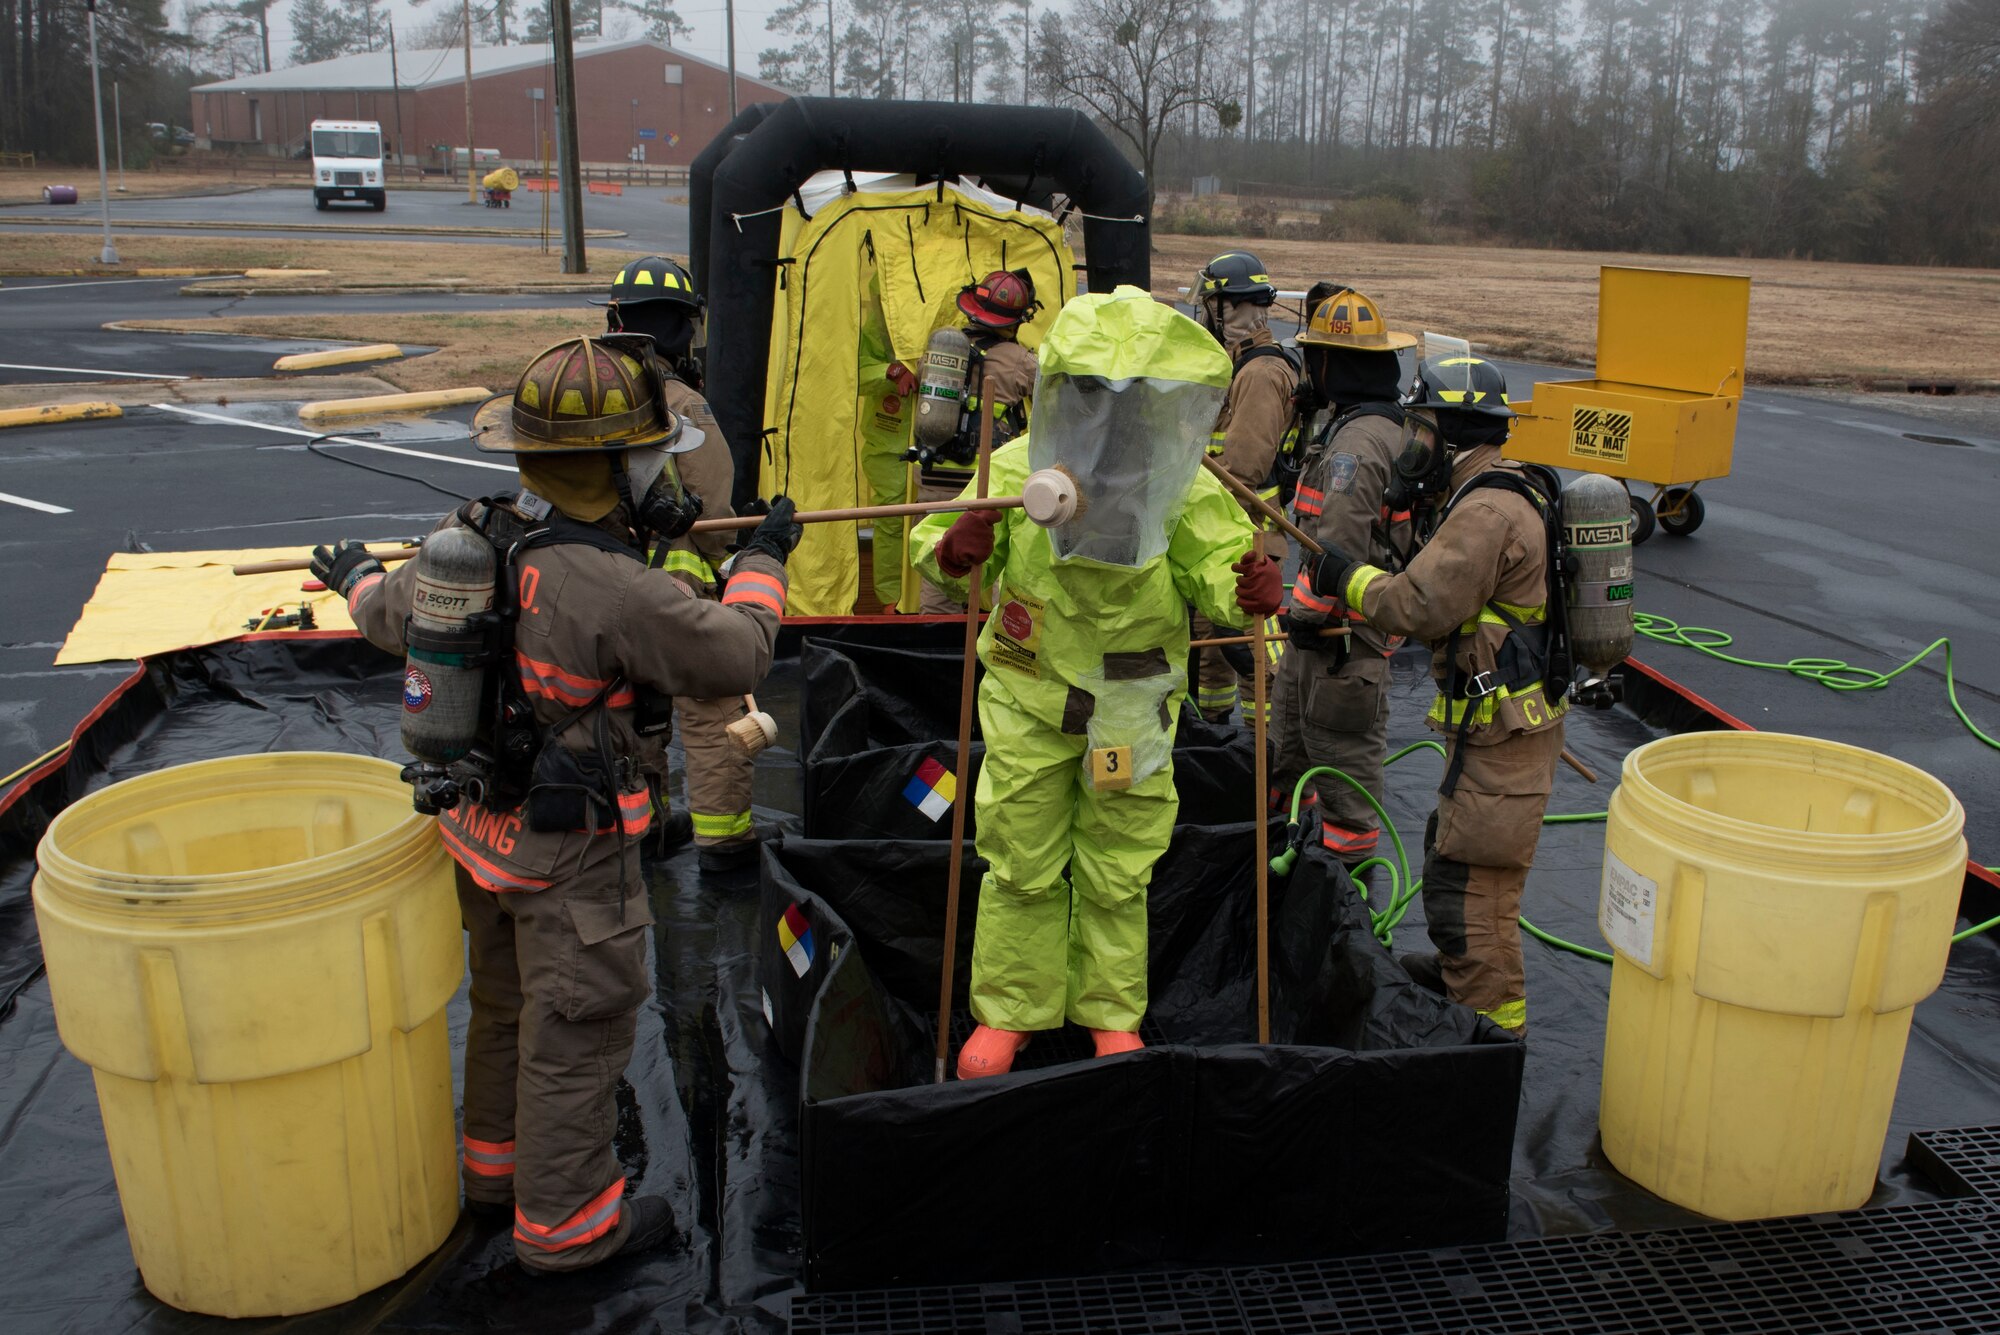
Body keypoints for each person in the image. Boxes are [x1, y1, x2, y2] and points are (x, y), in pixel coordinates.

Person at [314, 335, 804, 1270]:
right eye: (655, 456)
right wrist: (765, 557)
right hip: (571, 858)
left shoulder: (474, 535)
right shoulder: (620, 590)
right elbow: (738, 652)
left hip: (479, 831)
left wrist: (354, 577)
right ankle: (569, 1230)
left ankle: (492, 1177)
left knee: (503, 1008)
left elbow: (386, 618)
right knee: (575, 1033)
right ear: (618, 464)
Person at [909, 287, 1284, 1078]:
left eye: (1135, 402)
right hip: (1029, 696)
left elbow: (1220, 567)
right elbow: (933, 542)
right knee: (1020, 859)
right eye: (1094, 397)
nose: (1112, 419)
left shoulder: (1185, 488)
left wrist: (1248, 591)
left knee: (1119, 868)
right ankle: (1011, 1009)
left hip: (1130, 709)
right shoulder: (1012, 471)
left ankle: (1110, 1012)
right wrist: (957, 547)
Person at [1301, 355, 1564, 1037]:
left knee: (1473, 891)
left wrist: (1344, 576)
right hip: (1495, 733)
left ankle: (1488, 1038)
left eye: (1422, 432)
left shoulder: (1488, 510)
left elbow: (1418, 604)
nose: (1414, 447)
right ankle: (1464, 989)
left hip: (1502, 740)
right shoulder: (1493, 493)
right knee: (1457, 870)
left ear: (1450, 434)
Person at [597, 256, 764, 870]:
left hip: (595, 582)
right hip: (673, 582)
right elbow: (713, 506)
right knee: (714, 708)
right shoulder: (681, 403)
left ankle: (643, 832)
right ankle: (724, 844)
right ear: (684, 328)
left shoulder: (585, 396)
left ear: (616, 319)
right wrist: (746, 546)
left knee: (629, 716)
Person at [1272, 288, 1417, 868]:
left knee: (1343, 793)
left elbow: (1338, 550)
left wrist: (1302, 615)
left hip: (1341, 651)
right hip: (1323, 647)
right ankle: (1293, 873)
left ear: (1333, 364)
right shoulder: (1375, 426)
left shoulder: (1355, 447)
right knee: (1288, 764)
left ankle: (1348, 913)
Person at [893, 268, 1043, 612]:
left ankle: (937, 652)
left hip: (932, 483)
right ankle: (984, 656)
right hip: (982, 489)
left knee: (938, 577)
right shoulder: (1020, 361)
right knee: (990, 580)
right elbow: (1056, 396)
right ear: (1016, 319)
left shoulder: (938, 350)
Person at [1189, 250, 1298, 725]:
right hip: (1226, 531)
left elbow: (1245, 469)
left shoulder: (1259, 373)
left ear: (1227, 307)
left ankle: (1265, 757)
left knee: (1258, 664)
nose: (1203, 314)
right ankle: (1216, 739)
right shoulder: (1237, 364)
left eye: (1209, 305)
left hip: (1250, 534)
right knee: (1214, 654)